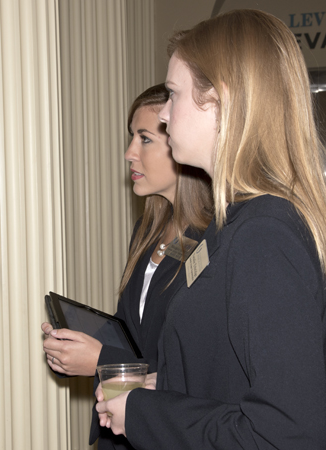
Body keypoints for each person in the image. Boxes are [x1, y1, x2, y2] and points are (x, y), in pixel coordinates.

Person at [96, 9, 326, 449]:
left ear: (220, 100)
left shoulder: (266, 236)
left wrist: (142, 412)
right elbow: (227, 375)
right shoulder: (234, 225)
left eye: (173, 94)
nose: (166, 114)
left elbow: (285, 436)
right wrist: (158, 385)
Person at [41, 84, 212, 449]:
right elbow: (136, 333)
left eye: (145, 139)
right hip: (124, 428)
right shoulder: (147, 231)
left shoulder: (216, 240)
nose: (129, 153)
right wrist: (79, 344)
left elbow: (196, 369)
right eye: (131, 137)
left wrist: (100, 358)